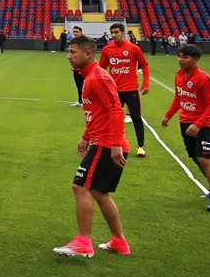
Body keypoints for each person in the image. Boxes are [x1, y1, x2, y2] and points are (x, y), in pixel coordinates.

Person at [54, 36, 130, 258]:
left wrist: (115, 143)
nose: (69, 56)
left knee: (80, 186)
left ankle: (83, 242)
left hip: (107, 143)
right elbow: (98, 113)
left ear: (87, 54)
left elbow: (116, 110)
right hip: (102, 140)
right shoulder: (89, 77)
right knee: (98, 191)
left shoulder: (97, 77)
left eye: (73, 52)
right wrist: (86, 136)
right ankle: (119, 242)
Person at [162, 44, 210, 212]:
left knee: (205, 159)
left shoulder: (204, 79)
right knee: (196, 158)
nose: (180, 60)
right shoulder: (179, 75)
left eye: (184, 57)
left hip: (203, 125)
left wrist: (198, 124)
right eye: (179, 56)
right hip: (185, 123)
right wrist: (168, 115)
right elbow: (179, 98)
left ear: (195, 59)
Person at [99, 23, 150, 158]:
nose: (114, 35)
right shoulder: (107, 49)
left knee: (136, 118)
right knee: (111, 119)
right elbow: (101, 69)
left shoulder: (133, 49)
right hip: (114, 91)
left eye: (116, 32)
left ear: (123, 33)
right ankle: (109, 144)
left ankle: (140, 147)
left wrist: (145, 84)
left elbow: (144, 65)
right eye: (112, 33)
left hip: (131, 90)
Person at [69, 25, 85, 106]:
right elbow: (72, 54)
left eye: (77, 32)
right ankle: (80, 101)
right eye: (74, 32)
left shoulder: (85, 42)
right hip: (76, 68)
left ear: (81, 32)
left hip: (84, 68)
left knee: (84, 86)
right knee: (78, 85)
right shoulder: (73, 42)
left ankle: (85, 101)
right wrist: (72, 64)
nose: (75, 33)